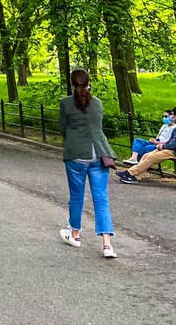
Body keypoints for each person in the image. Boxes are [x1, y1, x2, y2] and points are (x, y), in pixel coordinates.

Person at [58, 69, 116, 258]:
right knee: (101, 198)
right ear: (89, 82)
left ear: (72, 83)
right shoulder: (97, 102)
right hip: (99, 153)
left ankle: (75, 234)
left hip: (76, 155)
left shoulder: (66, 103)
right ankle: (107, 244)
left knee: (76, 196)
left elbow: (63, 129)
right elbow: (97, 125)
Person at [118, 107, 176, 184]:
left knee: (152, 158)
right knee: (146, 155)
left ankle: (129, 173)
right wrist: (161, 144)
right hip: (171, 149)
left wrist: (164, 146)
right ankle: (135, 177)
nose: (170, 117)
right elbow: (170, 141)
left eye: (172, 115)